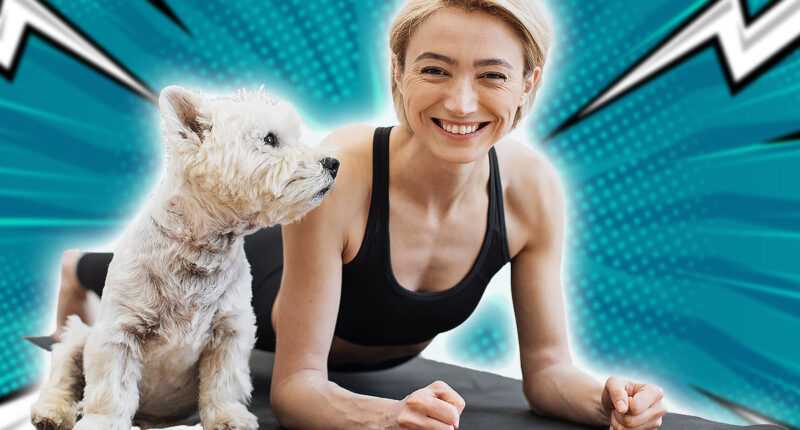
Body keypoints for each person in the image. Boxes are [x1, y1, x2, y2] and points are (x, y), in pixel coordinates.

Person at [48, 0, 668, 429]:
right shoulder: (341, 170)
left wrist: (608, 400)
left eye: (492, 76)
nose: (461, 101)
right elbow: (295, 390)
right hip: (270, 279)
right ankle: (81, 269)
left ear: (527, 85)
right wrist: (386, 416)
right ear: (397, 72)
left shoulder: (532, 190)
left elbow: (550, 372)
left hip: (381, 357)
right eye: (434, 69)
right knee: (181, 279)